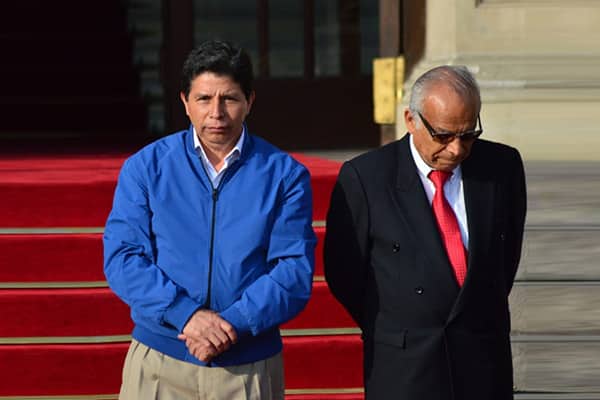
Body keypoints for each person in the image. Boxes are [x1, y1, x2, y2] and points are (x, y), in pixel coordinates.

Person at [103, 39, 316, 399]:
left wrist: (230, 324)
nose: (216, 112)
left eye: (229, 98)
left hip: (247, 363)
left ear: (249, 101)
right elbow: (123, 257)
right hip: (160, 359)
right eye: (203, 98)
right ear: (185, 102)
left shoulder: (284, 175)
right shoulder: (146, 167)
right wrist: (185, 315)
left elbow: (293, 270)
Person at [323, 65, 526, 400]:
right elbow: (344, 274)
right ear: (411, 120)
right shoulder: (366, 178)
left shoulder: (501, 167)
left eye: (468, 134)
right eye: (443, 136)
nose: (457, 149)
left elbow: (504, 258)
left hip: (482, 362)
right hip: (406, 366)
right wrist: (400, 323)